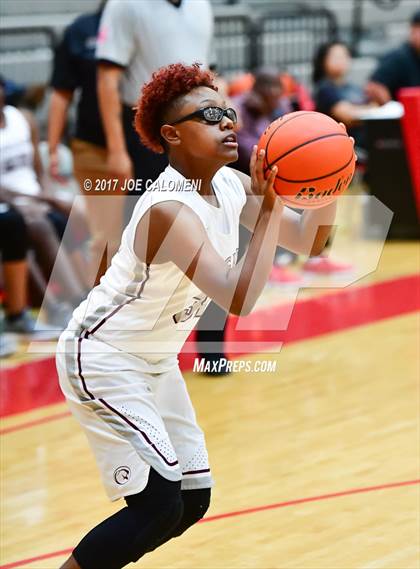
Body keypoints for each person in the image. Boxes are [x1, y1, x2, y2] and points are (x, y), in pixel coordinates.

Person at [56, 62, 342, 569]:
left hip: (155, 362)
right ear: (172, 134)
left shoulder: (231, 185)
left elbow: (311, 241)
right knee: (158, 502)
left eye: (228, 111)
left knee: (190, 503)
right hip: (103, 355)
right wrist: (272, 208)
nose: (228, 121)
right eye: (210, 115)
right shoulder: (168, 208)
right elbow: (238, 299)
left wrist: (329, 183)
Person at [95, 0, 214, 211]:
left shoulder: (202, 4)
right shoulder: (124, 5)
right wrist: (116, 150)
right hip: (147, 129)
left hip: (198, 125)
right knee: (149, 215)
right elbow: (107, 79)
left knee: (199, 212)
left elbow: (209, 68)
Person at [48, 0, 125, 286]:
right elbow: (61, 94)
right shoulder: (81, 30)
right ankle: (100, 317)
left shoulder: (149, 22)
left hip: (146, 148)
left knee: (148, 236)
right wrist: (53, 148)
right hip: (94, 151)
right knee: (107, 239)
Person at [0, 79, 88, 313]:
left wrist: (49, 196)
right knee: (38, 225)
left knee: (76, 212)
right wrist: (34, 202)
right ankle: (66, 303)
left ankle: (94, 289)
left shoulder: (22, 119)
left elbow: (39, 171)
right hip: (10, 202)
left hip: (36, 197)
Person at [366, 9, 420, 105]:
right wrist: (389, 106)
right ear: (413, 30)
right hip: (402, 115)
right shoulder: (398, 58)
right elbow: (373, 86)